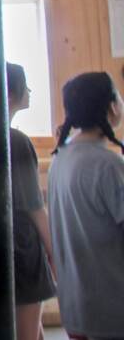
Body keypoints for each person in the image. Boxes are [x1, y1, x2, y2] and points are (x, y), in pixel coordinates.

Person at [48, 72, 124, 340]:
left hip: (76, 309)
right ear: (112, 106)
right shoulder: (108, 166)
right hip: (113, 310)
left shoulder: (60, 159)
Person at [5, 63, 56, 340]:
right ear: (11, 95)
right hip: (23, 246)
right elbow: (35, 206)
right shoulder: (17, 141)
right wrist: (53, 251)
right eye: (26, 86)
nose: (30, 92)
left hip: (4, 245)